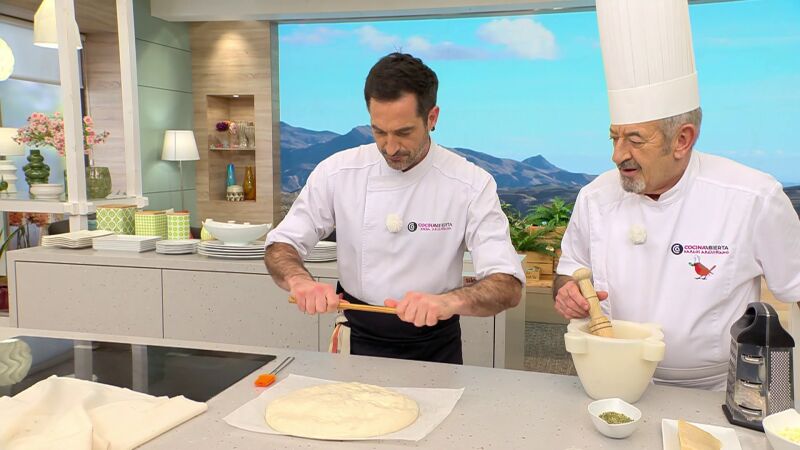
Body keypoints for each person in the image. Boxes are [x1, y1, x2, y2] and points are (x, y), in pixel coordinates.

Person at [554, 0, 800, 390]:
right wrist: (567, 293)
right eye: (614, 137)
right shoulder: (595, 197)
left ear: (682, 140)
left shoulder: (753, 198)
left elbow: (797, 290)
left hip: (715, 389)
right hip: (609, 376)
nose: (618, 155)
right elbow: (570, 270)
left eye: (635, 140)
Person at [265, 52, 525, 364]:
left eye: (403, 132)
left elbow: (507, 284)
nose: (390, 147)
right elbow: (281, 245)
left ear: (432, 118)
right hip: (356, 337)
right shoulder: (338, 172)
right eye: (379, 131)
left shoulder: (470, 183)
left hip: (435, 346)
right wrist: (300, 281)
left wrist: (449, 302)